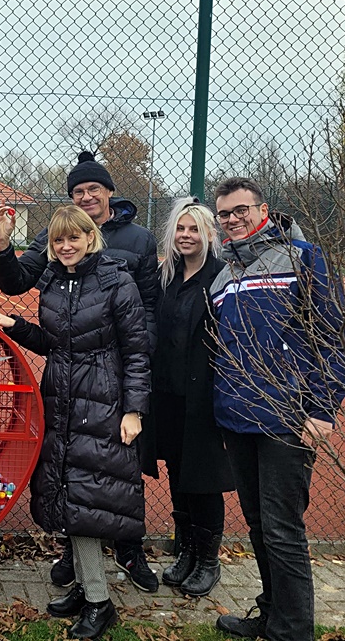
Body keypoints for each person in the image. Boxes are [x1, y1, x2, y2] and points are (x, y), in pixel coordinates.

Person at [0, 150, 160, 593]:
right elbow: (19, 289)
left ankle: (124, 557)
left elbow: (143, 322)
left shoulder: (135, 244)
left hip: (109, 381)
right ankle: (82, 570)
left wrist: (133, 397)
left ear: (108, 195)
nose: (86, 197)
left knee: (111, 477)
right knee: (73, 474)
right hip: (66, 385)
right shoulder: (54, 259)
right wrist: (3, 247)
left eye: (93, 190)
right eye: (77, 191)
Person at [209, 178, 345, 641]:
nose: (232, 220)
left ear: (263, 208)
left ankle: (292, 632)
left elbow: (336, 337)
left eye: (240, 210)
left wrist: (322, 408)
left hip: (287, 419)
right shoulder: (223, 273)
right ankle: (272, 615)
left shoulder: (302, 258)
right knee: (257, 525)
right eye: (224, 214)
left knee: (283, 529)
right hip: (238, 417)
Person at [152, 197, 233, 597]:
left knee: (203, 480)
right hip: (167, 394)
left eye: (194, 229)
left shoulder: (221, 276)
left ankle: (208, 560)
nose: (186, 236)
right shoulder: (167, 275)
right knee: (178, 474)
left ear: (209, 234)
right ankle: (185, 551)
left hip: (204, 395)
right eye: (180, 229)